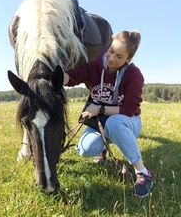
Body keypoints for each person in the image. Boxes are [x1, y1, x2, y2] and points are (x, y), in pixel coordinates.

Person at [63, 30, 153, 198]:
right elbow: (74, 76)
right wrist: (58, 77)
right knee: (85, 149)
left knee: (114, 123)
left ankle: (143, 174)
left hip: (127, 122)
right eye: (111, 51)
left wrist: (100, 109)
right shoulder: (95, 66)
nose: (112, 58)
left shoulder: (134, 75)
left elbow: (129, 109)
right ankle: (102, 148)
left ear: (128, 59)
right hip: (100, 122)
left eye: (119, 57)